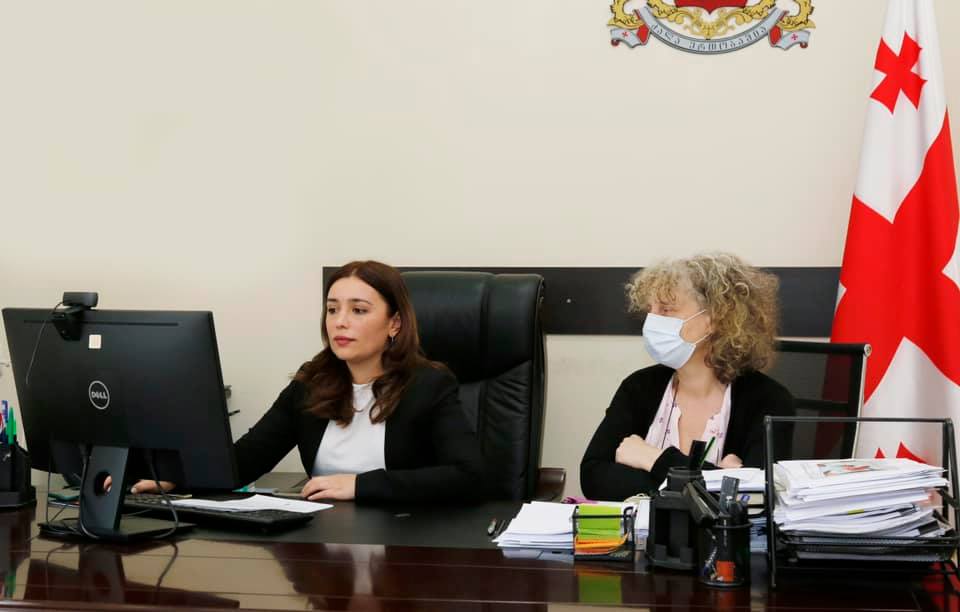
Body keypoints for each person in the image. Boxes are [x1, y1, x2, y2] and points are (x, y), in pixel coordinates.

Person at [131, 260, 485, 503]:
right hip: (324, 550)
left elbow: (469, 476)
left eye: (358, 310)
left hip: (406, 547)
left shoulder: (428, 385)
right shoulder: (312, 383)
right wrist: (175, 476)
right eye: (332, 309)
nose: (340, 321)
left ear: (394, 323)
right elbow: (246, 460)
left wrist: (361, 485)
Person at [580, 253, 793, 500]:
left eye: (666, 310)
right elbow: (593, 477)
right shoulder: (639, 387)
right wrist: (715, 478)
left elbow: (754, 498)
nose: (652, 320)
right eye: (650, 310)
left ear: (715, 319)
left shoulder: (768, 400)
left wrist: (651, 458)